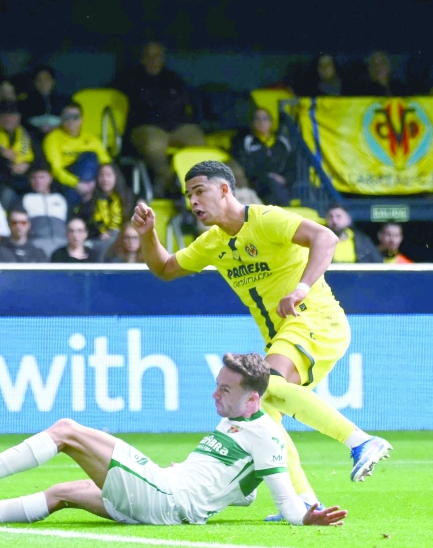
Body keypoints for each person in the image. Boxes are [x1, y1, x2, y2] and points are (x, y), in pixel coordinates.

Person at [131, 160, 392, 516]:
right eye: (188, 194)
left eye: (199, 191)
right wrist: (148, 235)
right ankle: (304, 501)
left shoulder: (266, 219)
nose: (192, 201)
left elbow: (325, 237)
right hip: (282, 335)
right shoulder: (212, 243)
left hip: (315, 317)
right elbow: (163, 268)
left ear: (224, 190)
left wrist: (301, 288)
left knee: (261, 386)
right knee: (262, 410)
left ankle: (361, 441)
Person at [0, 353, 347, 529]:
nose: (215, 395)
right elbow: (238, 488)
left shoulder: (267, 435)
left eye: (225, 390)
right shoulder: (235, 423)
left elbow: (288, 506)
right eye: (217, 386)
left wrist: (306, 517)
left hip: (166, 499)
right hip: (168, 499)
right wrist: (232, 491)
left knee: (67, 431)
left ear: (253, 398)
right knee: (60, 493)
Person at [114, 42, 205, 196]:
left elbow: (186, 103)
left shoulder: (172, 78)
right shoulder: (130, 79)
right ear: (142, 59)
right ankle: (172, 182)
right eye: (149, 56)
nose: (153, 60)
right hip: (147, 128)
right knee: (154, 146)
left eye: (157, 56)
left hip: (177, 126)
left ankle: (196, 183)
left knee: (198, 140)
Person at [42, 101, 111, 204]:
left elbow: (106, 165)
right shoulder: (53, 138)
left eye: (75, 117)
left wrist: (94, 182)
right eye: (67, 117)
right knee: (89, 157)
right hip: (64, 181)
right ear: (61, 119)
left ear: (82, 119)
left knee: (91, 157)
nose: (71, 121)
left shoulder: (91, 139)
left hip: (91, 182)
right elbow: (55, 169)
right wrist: (77, 183)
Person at [232, 108, 295, 206]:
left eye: (265, 119)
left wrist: (285, 178)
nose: (261, 122)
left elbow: (291, 165)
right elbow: (245, 165)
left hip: (281, 185)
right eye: (257, 119)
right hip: (257, 183)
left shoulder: (282, 143)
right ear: (253, 123)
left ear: (271, 122)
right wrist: (267, 175)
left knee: (276, 187)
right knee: (271, 184)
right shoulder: (247, 142)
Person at [0, 100, 34, 209]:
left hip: (24, 180)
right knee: (7, 195)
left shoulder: (28, 134)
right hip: (1, 182)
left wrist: (26, 165)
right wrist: (0, 154)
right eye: (4, 115)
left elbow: (37, 159)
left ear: (18, 117)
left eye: (12, 115)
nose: (8, 119)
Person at [73, 162, 132, 254]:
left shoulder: (128, 198)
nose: (105, 179)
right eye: (101, 175)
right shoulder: (89, 201)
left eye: (109, 175)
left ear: (116, 177)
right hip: (99, 240)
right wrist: (100, 233)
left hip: (124, 239)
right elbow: (85, 225)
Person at [19, 161, 68, 257]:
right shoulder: (25, 199)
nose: (38, 181)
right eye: (34, 178)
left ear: (50, 178)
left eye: (42, 177)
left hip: (62, 244)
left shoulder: (60, 199)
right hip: (36, 245)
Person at [19, 65, 68, 141]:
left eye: (46, 79)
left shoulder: (64, 101)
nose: (43, 83)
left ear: (53, 81)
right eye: (39, 80)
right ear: (34, 82)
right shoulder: (25, 102)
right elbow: (22, 124)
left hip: (60, 139)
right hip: (33, 140)